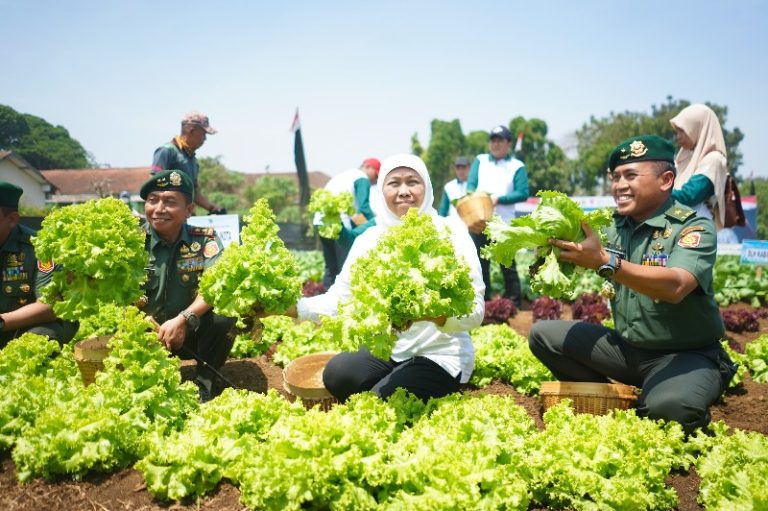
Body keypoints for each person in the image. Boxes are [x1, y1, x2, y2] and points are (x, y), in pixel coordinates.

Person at [528, 135, 735, 434]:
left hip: (686, 354)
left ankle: (673, 392)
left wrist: (606, 262)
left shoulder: (692, 226)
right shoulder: (613, 226)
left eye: (631, 176)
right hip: (627, 351)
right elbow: (576, 252)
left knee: (668, 411)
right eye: (615, 177)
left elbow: (676, 286)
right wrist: (548, 252)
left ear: (665, 180)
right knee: (543, 335)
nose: (619, 185)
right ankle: (615, 402)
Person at [296, 154, 485, 402]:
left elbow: (475, 311)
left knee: (381, 402)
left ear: (426, 187)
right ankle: (399, 379)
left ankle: (422, 385)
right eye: (394, 183)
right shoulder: (370, 239)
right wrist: (291, 308)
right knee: (338, 374)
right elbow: (339, 300)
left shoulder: (451, 232)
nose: (404, 191)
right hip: (393, 349)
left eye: (412, 182)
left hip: (441, 354)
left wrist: (429, 313)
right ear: (381, 190)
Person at [138, 170, 235, 402]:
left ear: (189, 210)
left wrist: (184, 319)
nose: (159, 209)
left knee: (226, 313)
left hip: (189, 334)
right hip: (143, 333)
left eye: (170, 202)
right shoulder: (131, 241)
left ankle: (204, 384)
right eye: (153, 201)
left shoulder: (204, 240)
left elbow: (216, 287)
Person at [0, 182, 77, 348]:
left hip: (26, 327)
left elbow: (49, 307)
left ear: (11, 219)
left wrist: (2, 322)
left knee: (41, 336)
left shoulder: (41, 248)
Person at [466, 125, 529, 305]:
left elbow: (523, 192)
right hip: (479, 220)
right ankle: (482, 301)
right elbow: (471, 185)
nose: (495, 144)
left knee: (507, 264)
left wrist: (499, 199)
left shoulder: (517, 165)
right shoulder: (480, 160)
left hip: (504, 223)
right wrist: (477, 197)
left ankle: (514, 302)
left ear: (509, 143)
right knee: (479, 263)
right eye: (492, 140)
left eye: (500, 140)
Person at [669, 104, 734, 243]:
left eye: (682, 131)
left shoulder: (713, 160)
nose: (678, 137)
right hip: (678, 227)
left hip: (696, 231)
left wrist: (654, 191)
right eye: (677, 132)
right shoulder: (686, 157)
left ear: (698, 128)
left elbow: (689, 196)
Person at [314, 158, 380, 288]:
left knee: (331, 267)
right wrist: (376, 225)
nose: (376, 180)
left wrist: (362, 225)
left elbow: (356, 215)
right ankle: (342, 304)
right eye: (376, 175)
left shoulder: (343, 176)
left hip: (320, 222)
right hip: (340, 225)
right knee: (345, 267)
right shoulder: (362, 178)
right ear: (367, 167)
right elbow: (364, 208)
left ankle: (326, 300)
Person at [151, 112, 224, 214]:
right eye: (203, 133)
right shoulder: (166, 152)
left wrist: (213, 208)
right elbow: (156, 185)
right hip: (168, 216)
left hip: (185, 215)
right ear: (191, 130)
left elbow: (193, 191)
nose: (205, 138)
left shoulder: (193, 160)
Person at [438, 155, 470, 220]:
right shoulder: (449, 187)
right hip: (454, 226)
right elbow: (443, 211)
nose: (461, 171)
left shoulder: (476, 185)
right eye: (458, 168)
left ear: (469, 168)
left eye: (463, 168)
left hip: (473, 226)